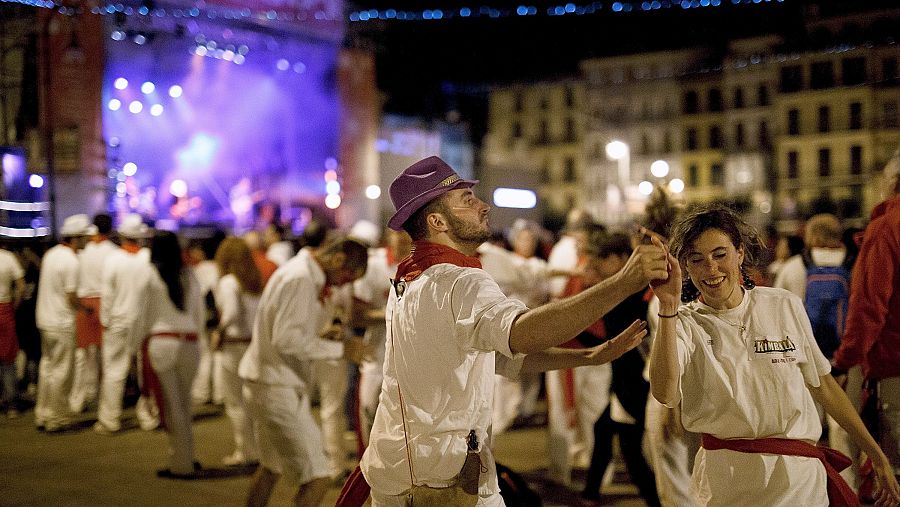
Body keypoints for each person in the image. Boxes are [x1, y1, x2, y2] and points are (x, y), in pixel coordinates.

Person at [359, 156, 666, 506]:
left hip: (407, 469)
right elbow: (520, 334)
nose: (483, 206)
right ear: (436, 221)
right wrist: (624, 282)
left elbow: (497, 359)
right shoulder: (461, 280)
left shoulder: (411, 278)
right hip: (437, 477)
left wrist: (588, 355)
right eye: (467, 200)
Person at [648, 203, 900, 506]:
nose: (711, 269)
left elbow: (824, 386)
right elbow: (664, 392)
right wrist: (666, 308)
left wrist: (875, 453)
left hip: (800, 481)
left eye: (720, 254)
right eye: (696, 259)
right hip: (728, 481)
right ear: (685, 266)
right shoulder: (683, 322)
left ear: (740, 253)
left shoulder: (783, 304)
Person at [239, 238, 369, 507]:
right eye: (346, 278)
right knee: (318, 477)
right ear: (338, 260)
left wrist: (323, 334)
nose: (342, 286)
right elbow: (285, 339)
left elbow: (289, 332)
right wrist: (341, 349)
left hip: (268, 381)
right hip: (276, 387)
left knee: (270, 467)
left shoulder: (299, 273)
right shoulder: (300, 278)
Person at [832, 150, 900, 491]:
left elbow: (869, 307)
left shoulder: (887, 227)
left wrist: (844, 362)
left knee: (895, 476)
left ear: (891, 182)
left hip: (894, 367)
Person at [581, 232, 660, 507]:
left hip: (636, 386)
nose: (599, 266)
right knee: (605, 432)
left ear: (620, 259)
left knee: (633, 453)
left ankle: (656, 500)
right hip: (628, 385)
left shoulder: (635, 296)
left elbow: (617, 344)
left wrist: (576, 335)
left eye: (605, 259)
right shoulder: (630, 293)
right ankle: (591, 492)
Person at [137, 231, 203, 479]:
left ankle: (181, 462)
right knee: (184, 405)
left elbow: (142, 315)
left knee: (172, 406)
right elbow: (197, 314)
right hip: (190, 342)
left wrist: (137, 343)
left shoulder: (150, 274)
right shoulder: (189, 275)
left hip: (162, 342)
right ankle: (185, 457)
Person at [34, 214, 96, 432]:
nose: (88, 240)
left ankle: (42, 413)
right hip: (61, 322)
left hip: (44, 319)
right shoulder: (72, 261)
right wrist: (85, 309)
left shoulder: (52, 254)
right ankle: (56, 417)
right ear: (76, 238)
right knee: (62, 371)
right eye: (85, 237)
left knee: (47, 368)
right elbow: (71, 296)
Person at [96, 213, 156, 434]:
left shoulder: (113, 259)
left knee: (114, 371)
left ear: (122, 236)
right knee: (145, 372)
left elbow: (108, 295)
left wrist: (105, 321)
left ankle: (110, 419)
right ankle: (148, 417)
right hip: (143, 322)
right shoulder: (148, 259)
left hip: (117, 322)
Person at [212, 237, 262, 467]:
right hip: (252, 344)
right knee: (252, 401)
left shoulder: (229, 282)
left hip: (234, 345)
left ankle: (245, 450)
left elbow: (230, 311)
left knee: (235, 402)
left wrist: (219, 331)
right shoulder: (254, 281)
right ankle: (258, 449)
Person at [70, 213, 117, 414]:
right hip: (105, 303)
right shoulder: (114, 252)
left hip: (83, 304)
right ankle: (100, 397)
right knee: (105, 356)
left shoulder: (83, 250)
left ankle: (78, 399)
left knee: (83, 355)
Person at [0, 240, 25, 416]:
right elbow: (21, 287)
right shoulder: (8, 258)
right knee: (8, 358)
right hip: (5, 307)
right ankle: (12, 404)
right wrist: (14, 306)